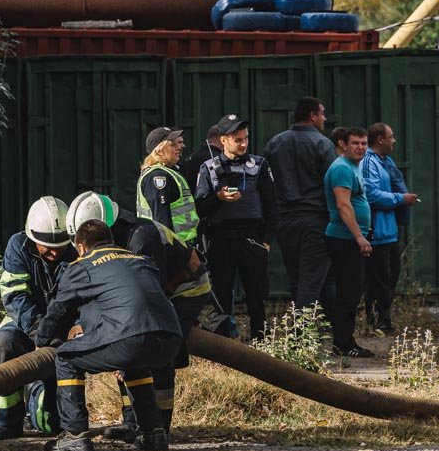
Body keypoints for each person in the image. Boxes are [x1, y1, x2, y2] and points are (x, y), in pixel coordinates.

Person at [30, 219, 183, 451]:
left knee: (66, 358)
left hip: (131, 339)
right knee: (135, 364)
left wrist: (42, 339)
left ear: (80, 247)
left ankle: (74, 435)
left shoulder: (83, 266)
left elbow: (59, 310)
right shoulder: (139, 259)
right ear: (110, 240)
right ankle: (154, 433)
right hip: (172, 340)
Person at [66, 192, 211, 437]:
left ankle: (159, 426)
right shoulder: (114, 240)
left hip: (184, 290)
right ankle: (132, 422)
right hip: (155, 291)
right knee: (126, 345)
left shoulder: (141, 239)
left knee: (159, 348)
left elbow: (151, 293)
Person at [0, 196, 77, 440]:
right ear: (32, 238)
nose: (54, 251)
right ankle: (8, 420)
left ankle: (35, 397)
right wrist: (39, 333)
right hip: (22, 323)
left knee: (53, 425)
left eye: (60, 245)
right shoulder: (17, 246)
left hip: (62, 330)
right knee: (3, 344)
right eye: (47, 246)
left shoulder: (76, 254)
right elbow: (15, 297)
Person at [194, 114, 278, 341]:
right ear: (223, 140)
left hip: (251, 237)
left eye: (245, 138)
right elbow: (199, 208)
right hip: (220, 239)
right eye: (237, 139)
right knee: (221, 298)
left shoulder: (259, 165)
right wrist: (218, 198)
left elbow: (272, 206)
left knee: (256, 296)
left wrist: (266, 241)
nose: (243, 144)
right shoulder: (209, 168)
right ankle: (223, 348)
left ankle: (260, 344)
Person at [264, 97, 336, 312]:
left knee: (296, 278)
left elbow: (266, 183)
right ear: (313, 116)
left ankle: (310, 325)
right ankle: (302, 329)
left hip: (285, 220)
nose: (324, 118)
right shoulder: (323, 144)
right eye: (322, 113)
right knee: (311, 281)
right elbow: (333, 183)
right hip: (315, 220)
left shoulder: (275, 143)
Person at [361, 123, 418, 336]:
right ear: (380, 139)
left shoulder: (386, 161)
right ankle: (379, 322)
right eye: (391, 136)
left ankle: (381, 319)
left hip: (390, 231)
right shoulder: (369, 162)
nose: (394, 140)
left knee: (391, 277)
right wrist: (401, 198)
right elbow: (371, 195)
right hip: (376, 232)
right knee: (379, 279)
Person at [323, 127, 375, 358]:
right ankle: (343, 344)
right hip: (345, 239)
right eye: (355, 143)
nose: (360, 147)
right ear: (344, 144)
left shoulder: (352, 166)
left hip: (350, 238)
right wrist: (359, 237)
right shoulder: (342, 168)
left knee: (352, 292)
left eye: (364, 143)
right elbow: (343, 205)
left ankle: (346, 341)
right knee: (348, 293)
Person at [136, 126, 199, 244]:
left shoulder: (169, 172)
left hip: (181, 245)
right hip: (171, 248)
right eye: (172, 144)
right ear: (159, 151)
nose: (180, 147)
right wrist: (175, 250)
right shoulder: (158, 176)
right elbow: (162, 223)